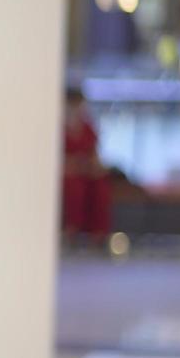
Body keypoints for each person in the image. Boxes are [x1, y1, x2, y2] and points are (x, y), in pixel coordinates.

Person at [62, 86, 111, 243]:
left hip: (84, 171)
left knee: (100, 186)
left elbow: (94, 155)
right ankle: (71, 231)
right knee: (74, 187)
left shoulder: (87, 127)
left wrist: (94, 167)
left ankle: (98, 235)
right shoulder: (59, 127)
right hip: (67, 173)